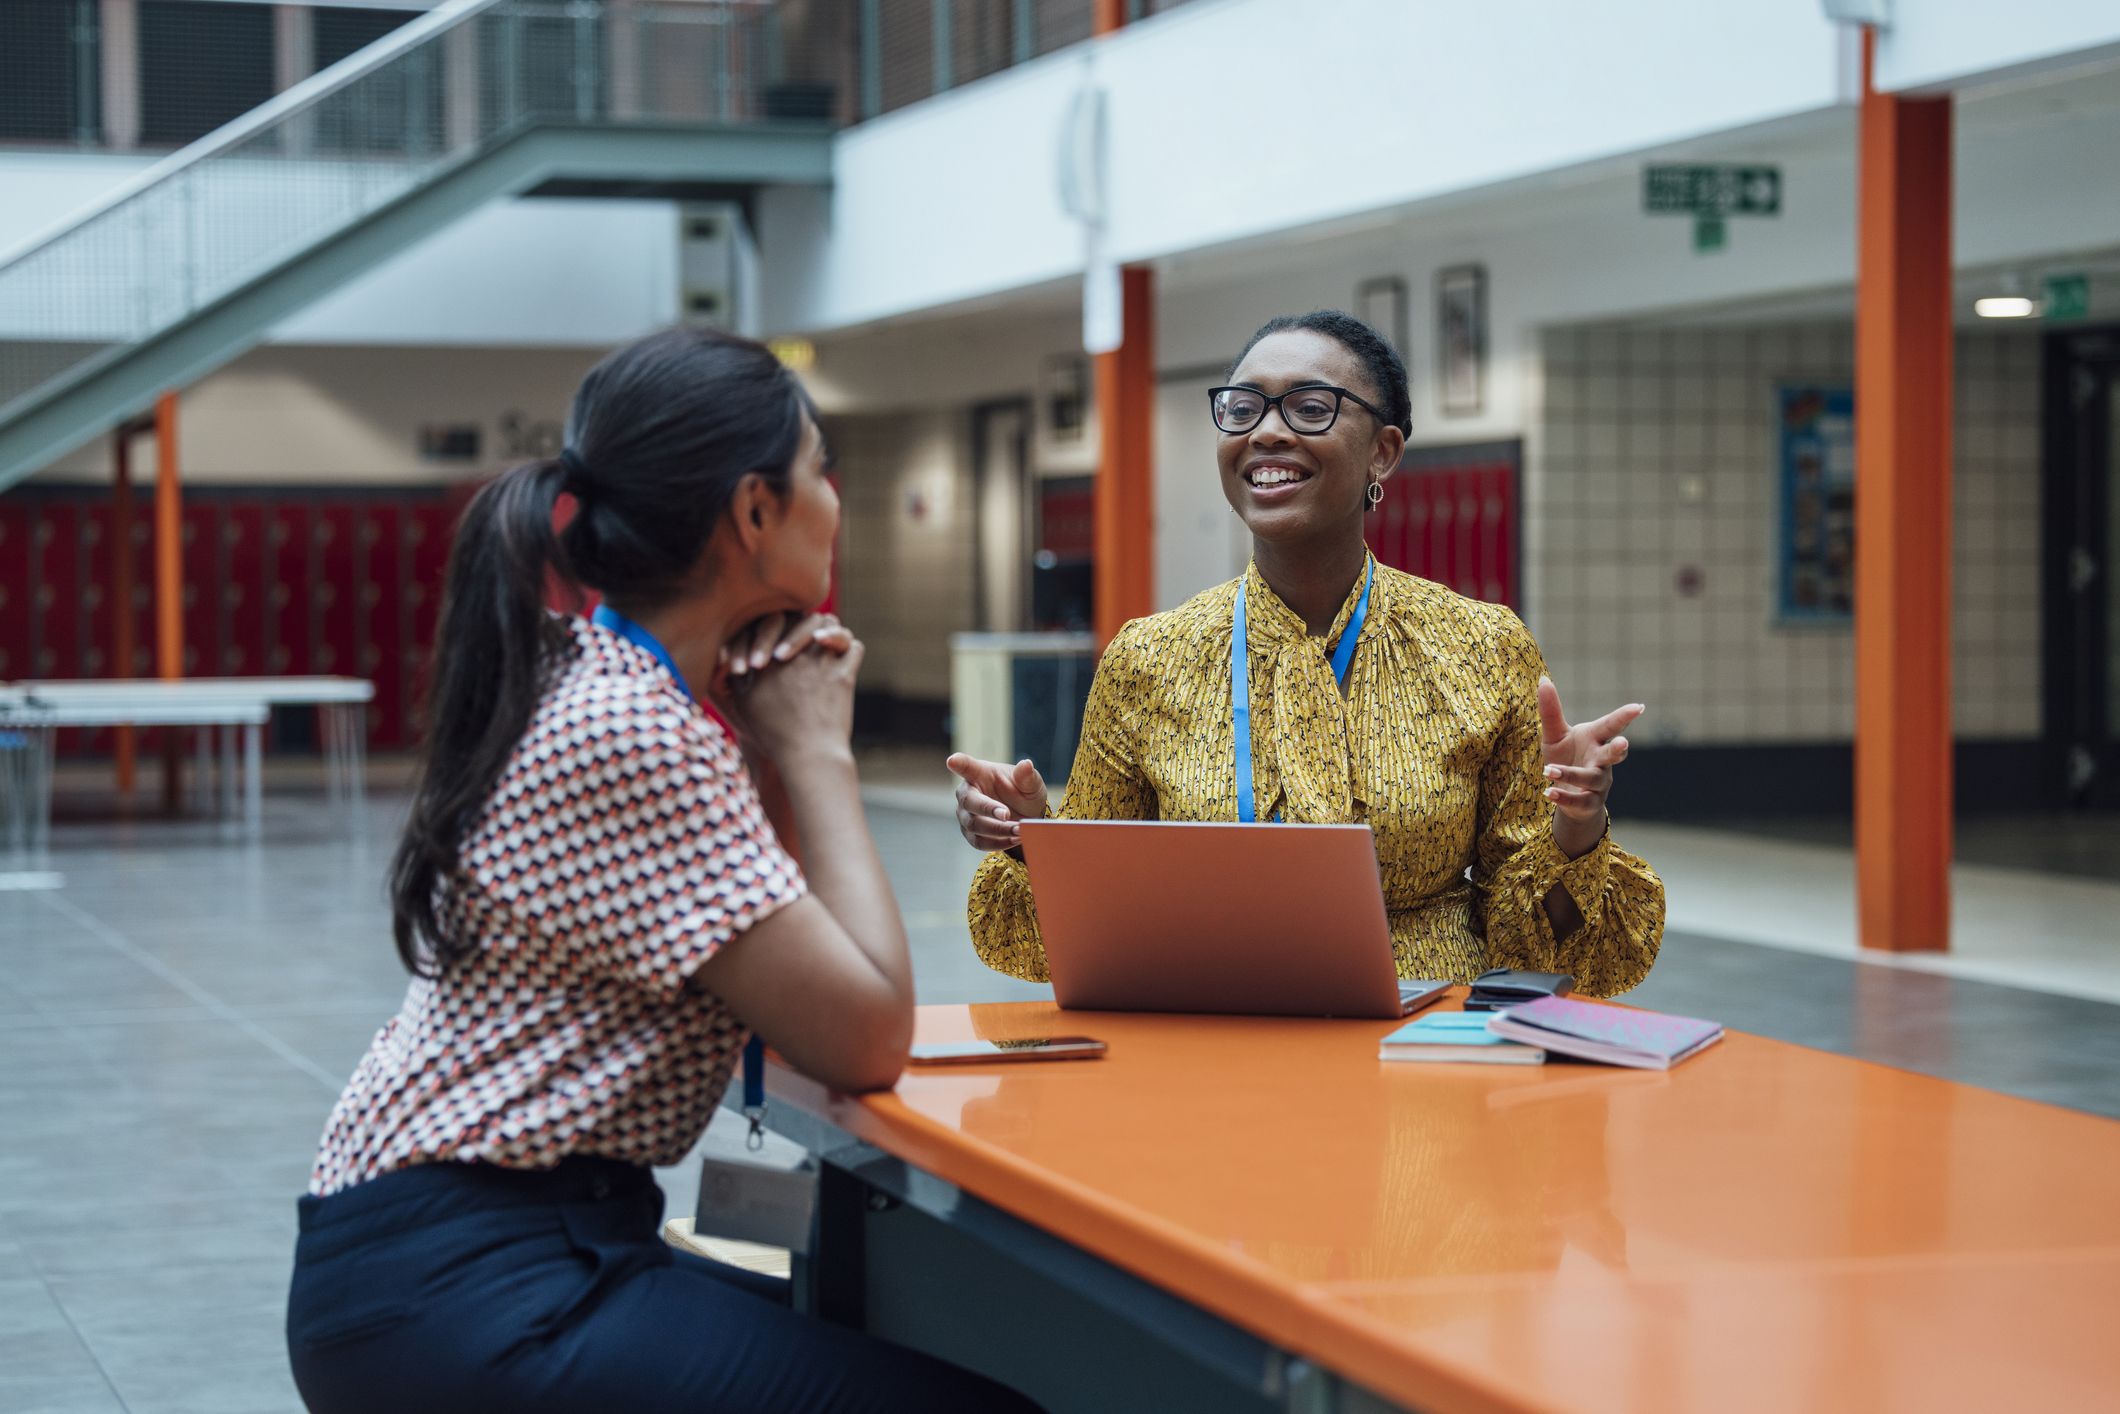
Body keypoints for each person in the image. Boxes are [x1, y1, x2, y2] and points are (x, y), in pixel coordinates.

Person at [287, 328, 1040, 1414]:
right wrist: (818, 749)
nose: (834, 499)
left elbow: (793, 984)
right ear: (751, 512)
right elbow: (863, 1034)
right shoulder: (627, 728)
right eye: (818, 470)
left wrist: (769, 745)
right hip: (472, 1277)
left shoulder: (606, 683)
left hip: (486, 1245)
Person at [949, 311, 1664, 995]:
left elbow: (1534, 945)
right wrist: (1031, 837)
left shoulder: (1480, 647)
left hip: (1423, 1046)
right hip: (1213, 1035)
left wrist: (1575, 828)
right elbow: (1089, 921)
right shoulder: (1149, 659)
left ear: (1383, 450)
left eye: (1310, 408)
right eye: (1243, 409)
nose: (1267, 432)